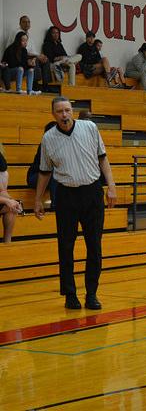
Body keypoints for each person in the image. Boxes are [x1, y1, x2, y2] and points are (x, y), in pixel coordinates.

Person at [34, 96, 117, 310]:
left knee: (94, 246)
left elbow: (103, 158)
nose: (64, 115)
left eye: (67, 110)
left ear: (72, 111)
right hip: (65, 196)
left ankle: (92, 293)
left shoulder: (89, 127)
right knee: (65, 246)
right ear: (53, 115)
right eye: (60, 111)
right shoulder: (48, 138)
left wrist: (111, 186)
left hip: (92, 192)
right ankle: (70, 294)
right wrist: (38, 200)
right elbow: (44, 172)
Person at [6, 15, 51, 92]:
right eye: (24, 22)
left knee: (46, 60)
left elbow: (32, 51)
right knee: (35, 60)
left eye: (28, 22)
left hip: (26, 55)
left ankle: (45, 85)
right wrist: (37, 56)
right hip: (18, 57)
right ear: (20, 24)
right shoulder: (18, 33)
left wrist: (40, 55)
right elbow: (21, 51)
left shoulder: (29, 34)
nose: (27, 24)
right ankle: (34, 84)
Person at [27, 122, 58, 208]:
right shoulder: (44, 145)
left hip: (49, 178)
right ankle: (55, 205)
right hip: (35, 177)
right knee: (55, 171)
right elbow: (48, 168)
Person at [0, 149, 23, 243]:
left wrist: (12, 201)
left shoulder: (3, 173)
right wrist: (6, 201)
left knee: (12, 207)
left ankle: (7, 243)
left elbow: (2, 191)